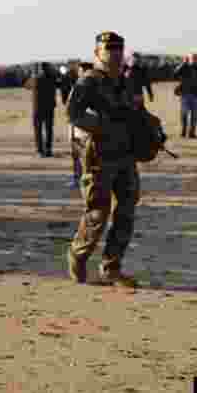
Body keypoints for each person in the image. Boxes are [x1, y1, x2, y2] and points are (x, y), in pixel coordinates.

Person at [66, 32, 141, 287]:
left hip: (126, 156)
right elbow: (72, 112)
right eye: (109, 51)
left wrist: (151, 129)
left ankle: (111, 267)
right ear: (98, 54)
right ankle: (78, 255)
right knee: (98, 213)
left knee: (127, 210)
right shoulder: (89, 82)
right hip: (98, 157)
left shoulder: (126, 81)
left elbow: (137, 111)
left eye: (118, 51)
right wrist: (100, 126)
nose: (114, 55)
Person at [25, 63, 58, 157]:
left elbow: (27, 86)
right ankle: (48, 150)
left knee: (38, 130)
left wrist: (32, 74)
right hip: (49, 107)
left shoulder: (36, 77)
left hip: (38, 107)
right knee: (49, 129)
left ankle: (40, 150)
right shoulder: (52, 77)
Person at [173, 53, 197, 138]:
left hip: (196, 95)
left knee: (194, 115)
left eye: (196, 59)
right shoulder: (184, 67)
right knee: (184, 113)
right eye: (192, 58)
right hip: (185, 94)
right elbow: (175, 74)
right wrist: (183, 63)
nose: (194, 60)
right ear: (188, 59)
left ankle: (192, 133)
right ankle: (183, 131)